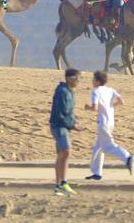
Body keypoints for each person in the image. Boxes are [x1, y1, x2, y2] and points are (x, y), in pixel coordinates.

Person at [83, 70, 134, 180]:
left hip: (103, 123)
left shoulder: (96, 91)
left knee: (107, 146)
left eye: (93, 79)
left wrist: (88, 108)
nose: (92, 81)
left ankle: (127, 157)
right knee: (98, 147)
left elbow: (95, 108)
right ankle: (97, 173)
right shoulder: (110, 90)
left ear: (97, 81)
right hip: (111, 122)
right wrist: (110, 106)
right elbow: (121, 101)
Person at [49, 68, 81, 196]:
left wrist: (74, 122)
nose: (78, 82)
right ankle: (63, 183)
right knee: (67, 152)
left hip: (63, 126)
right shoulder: (62, 92)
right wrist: (73, 125)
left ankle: (59, 185)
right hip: (59, 126)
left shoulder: (69, 91)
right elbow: (61, 113)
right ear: (69, 78)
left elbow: (68, 111)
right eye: (76, 79)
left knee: (62, 154)